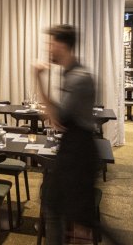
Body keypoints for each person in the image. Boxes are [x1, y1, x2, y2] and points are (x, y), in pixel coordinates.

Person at [34, 25, 99, 244]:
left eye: (51, 44)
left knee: (76, 218)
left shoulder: (78, 77)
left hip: (79, 153)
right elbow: (55, 120)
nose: (49, 49)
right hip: (73, 148)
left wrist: (38, 79)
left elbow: (58, 119)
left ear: (63, 45)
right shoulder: (71, 73)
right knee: (54, 206)